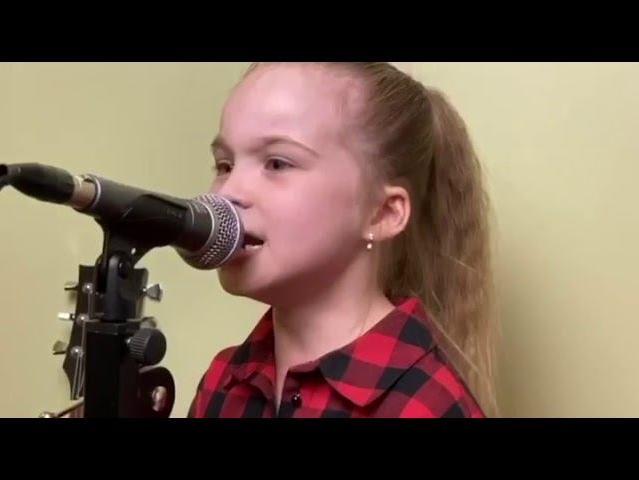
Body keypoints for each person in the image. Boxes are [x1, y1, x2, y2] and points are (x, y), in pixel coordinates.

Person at [188, 62, 498, 418]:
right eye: (225, 165)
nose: (228, 193)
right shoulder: (223, 381)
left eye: (277, 163)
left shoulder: (425, 407)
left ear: (382, 213)